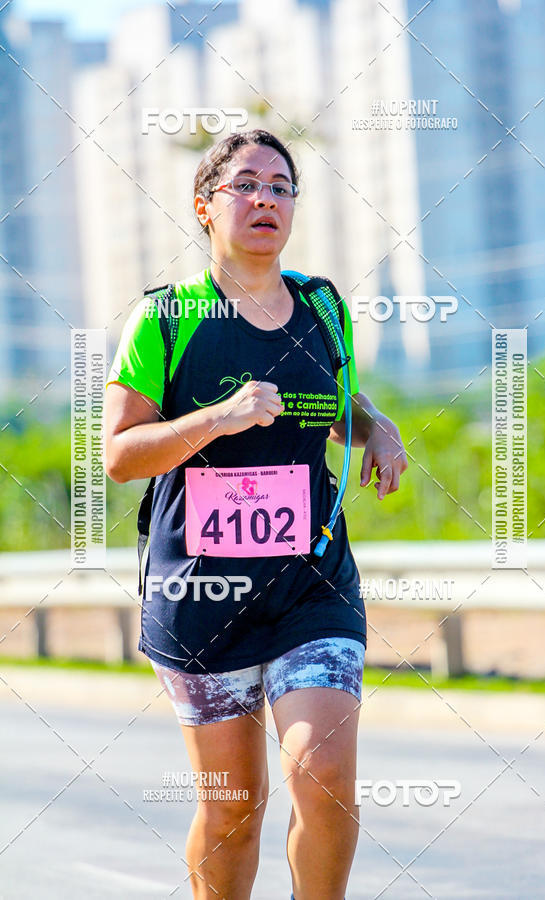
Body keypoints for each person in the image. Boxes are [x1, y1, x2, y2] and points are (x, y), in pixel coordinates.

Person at [104, 129, 407, 900]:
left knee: (325, 778)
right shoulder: (167, 319)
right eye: (244, 184)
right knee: (234, 810)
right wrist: (217, 419)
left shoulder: (322, 307)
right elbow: (121, 455)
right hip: (202, 595)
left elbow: (335, 406)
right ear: (205, 206)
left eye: (280, 186)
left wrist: (378, 427)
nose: (265, 198)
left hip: (311, 585)